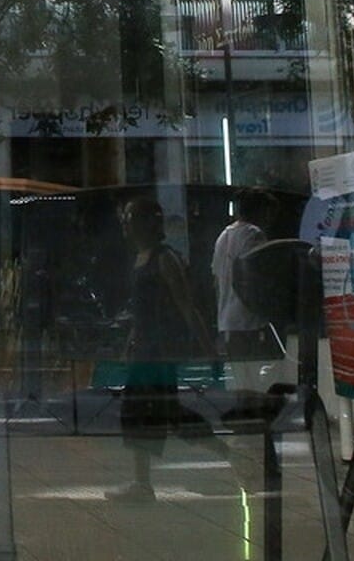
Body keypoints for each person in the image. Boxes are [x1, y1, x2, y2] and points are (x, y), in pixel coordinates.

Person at [117, 194, 216, 500]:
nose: (125, 225)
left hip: (159, 351)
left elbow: (187, 306)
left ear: (146, 222)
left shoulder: (164, 259)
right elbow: (141, 310)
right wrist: (130, 341)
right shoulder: (141, 258)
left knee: (163, 412)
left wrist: (209, 349)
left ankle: (227, 452)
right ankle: (141, 482)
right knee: (143, 412)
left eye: (129, 218)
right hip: (144, 349)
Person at [211, 188, 275, 392]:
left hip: (227, 321)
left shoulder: (223, 236)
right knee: (255, 380)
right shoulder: (254, 234)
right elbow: (259, 276)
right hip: (249, 321)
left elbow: (216, 279)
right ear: (261, 211)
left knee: (239, 379)